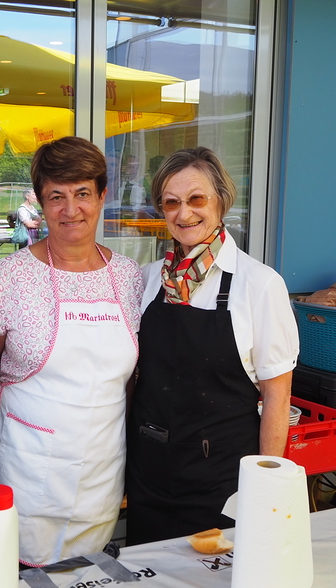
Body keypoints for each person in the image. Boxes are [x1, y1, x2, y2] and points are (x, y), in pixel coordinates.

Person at [126, 147, 299, 546]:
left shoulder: (259, 284)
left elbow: (277, 398)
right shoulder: (148, 280)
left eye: (196, 199)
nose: (184, 213)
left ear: (221, 200)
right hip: (149, 476)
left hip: (221, 482)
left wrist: (265, 489)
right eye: (171, 203)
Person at [0, 136, 144, 566]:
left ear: (102, 196)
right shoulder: (10, 274)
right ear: (41, 202)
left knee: (86, 583)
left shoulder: (128, 276)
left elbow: (130, 380)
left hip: (101, 470)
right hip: (26, 469)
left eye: (82, 194)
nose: (71, 209)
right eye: (56, 196)